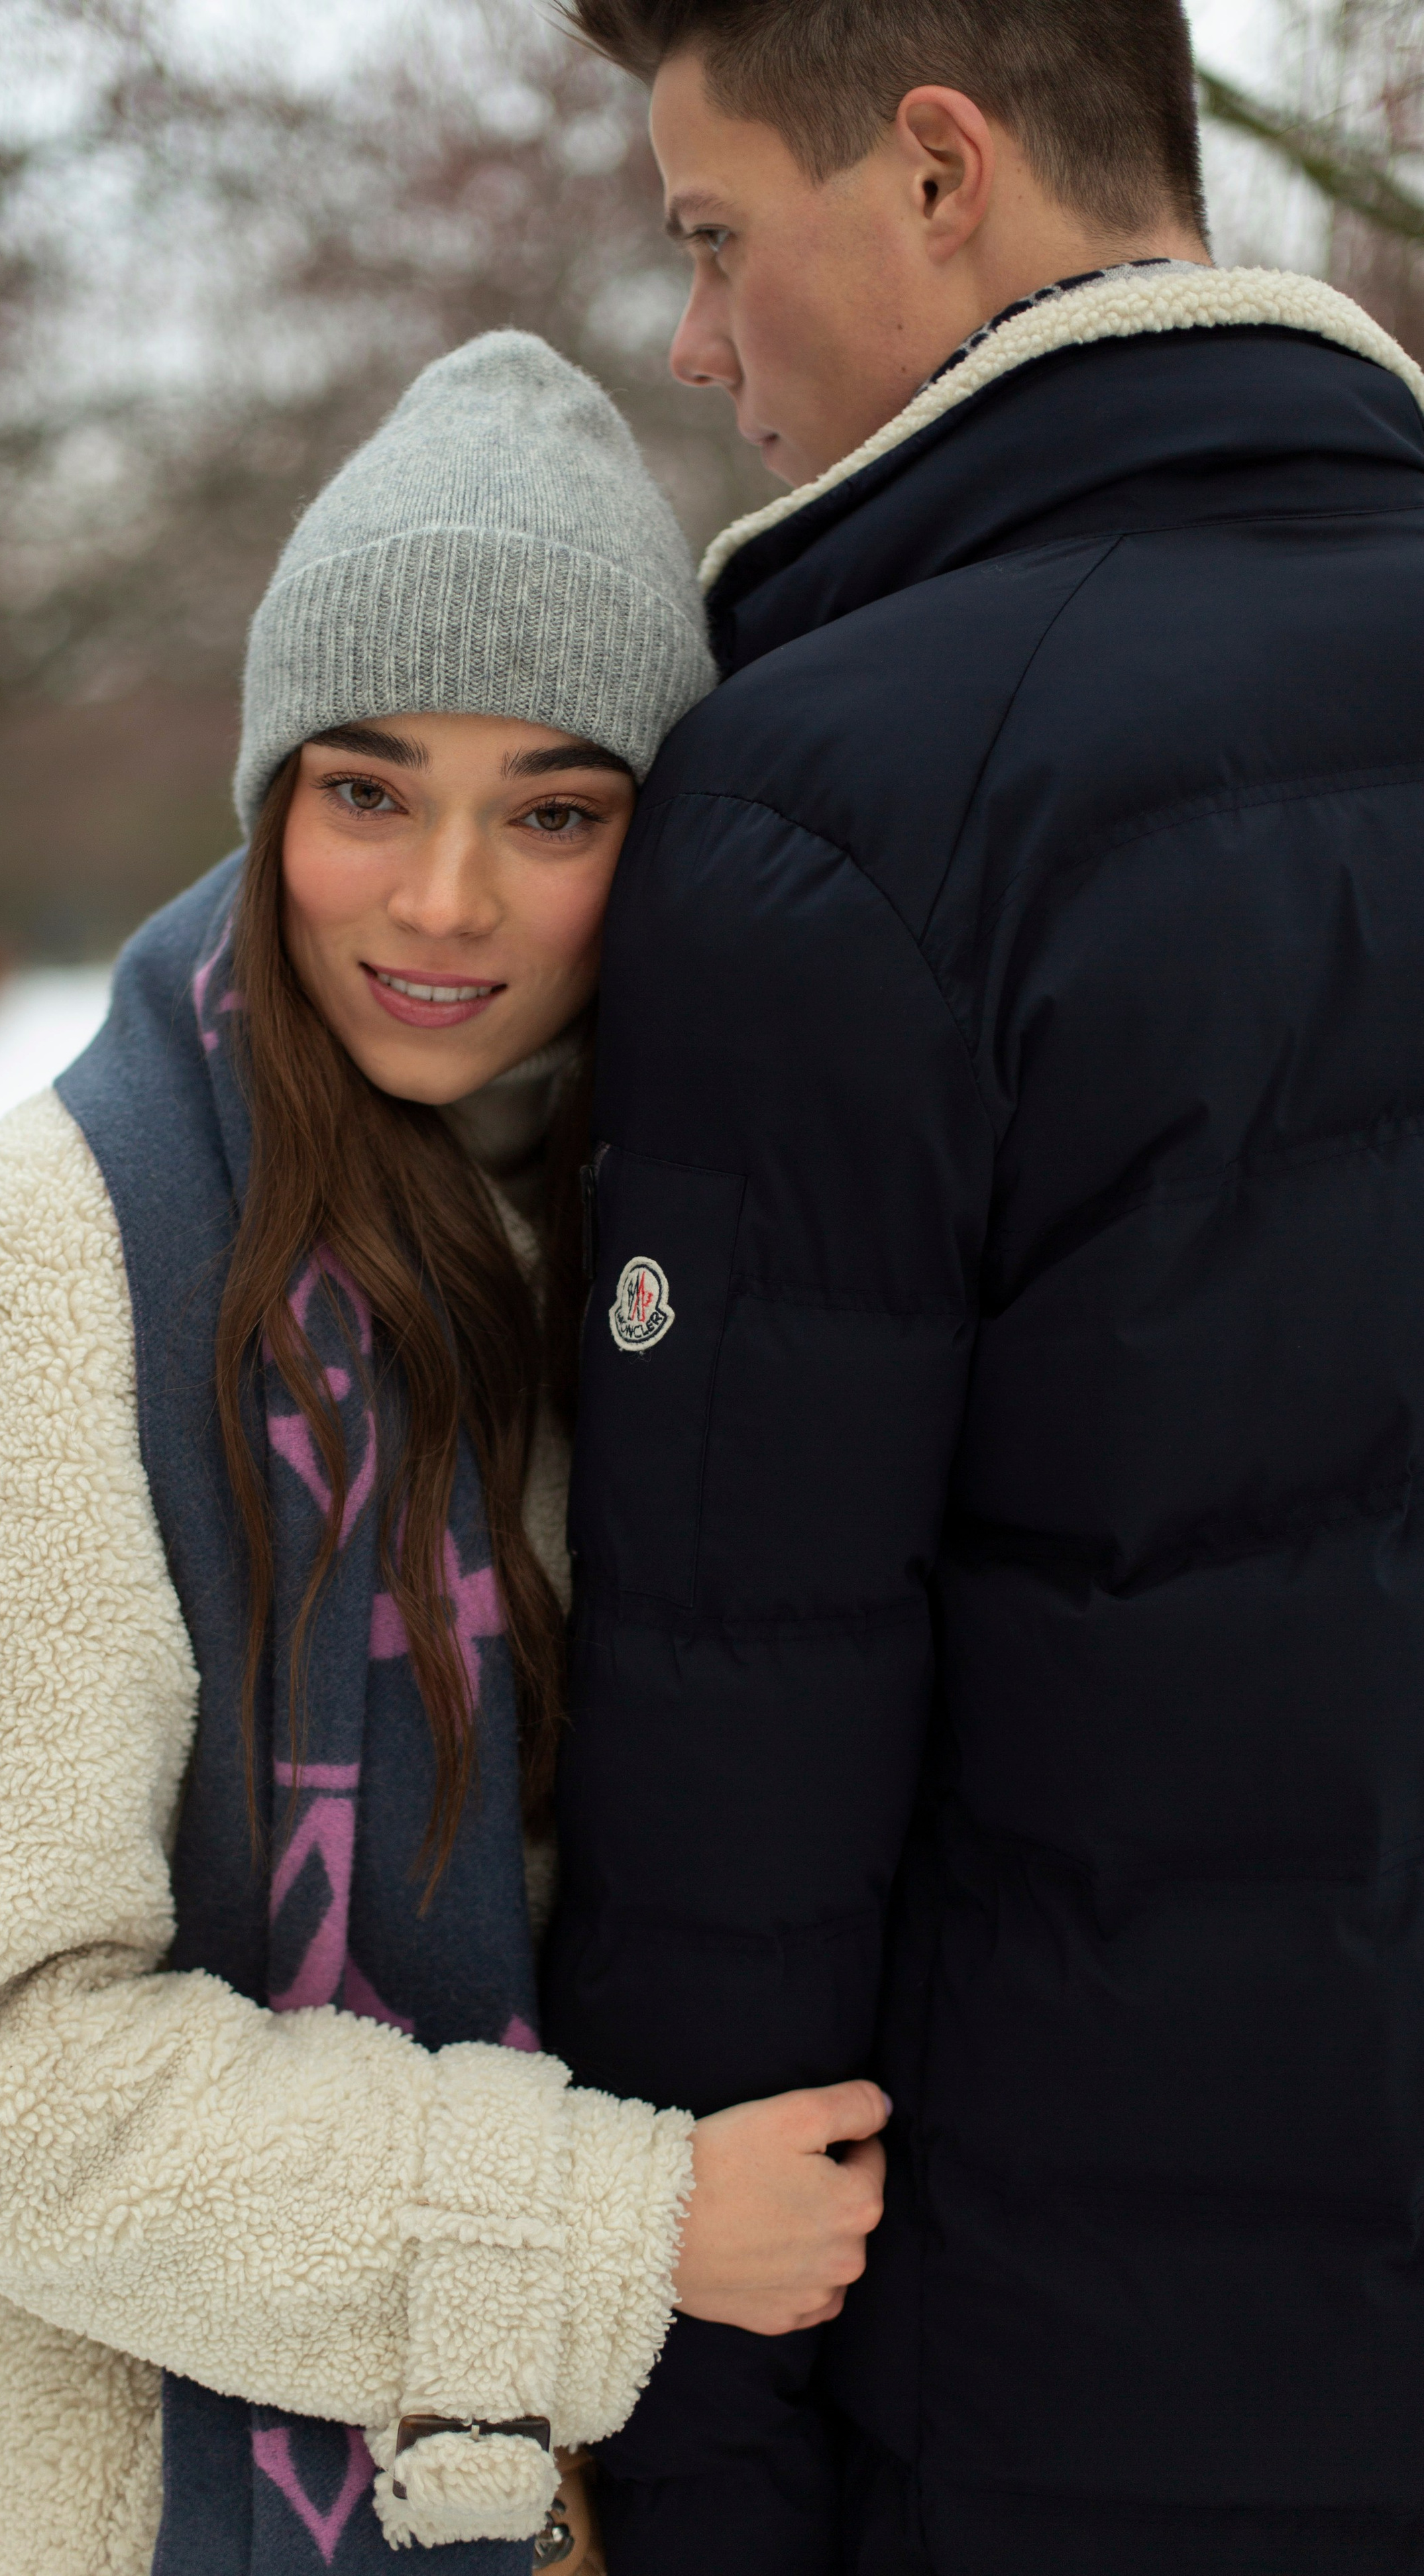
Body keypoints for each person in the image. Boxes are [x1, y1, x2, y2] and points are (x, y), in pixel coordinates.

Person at [0, 333, 892, 2576]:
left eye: (556, 810)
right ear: (270, 792)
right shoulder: (71, 1250)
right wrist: (613, 2227)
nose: (446, 902)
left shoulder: (649, 1252)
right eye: (369, 791)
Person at [542, 5, 1424, 2573]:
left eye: (715, 237)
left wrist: (678, 2483)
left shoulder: (841, 801)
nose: (698, 342)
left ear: (940, 172)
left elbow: (741, 1798)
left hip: (1068, 2429)